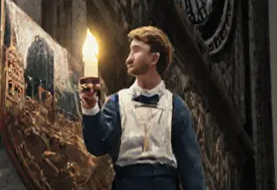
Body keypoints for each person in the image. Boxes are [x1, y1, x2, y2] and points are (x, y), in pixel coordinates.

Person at [80, 26, 206, 190]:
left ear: (154, 58)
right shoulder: (116, 102)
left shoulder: (176, 107)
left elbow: (191, 167)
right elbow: (98, 146)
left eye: (136, 51)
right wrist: (91, 108)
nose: (128, 59)